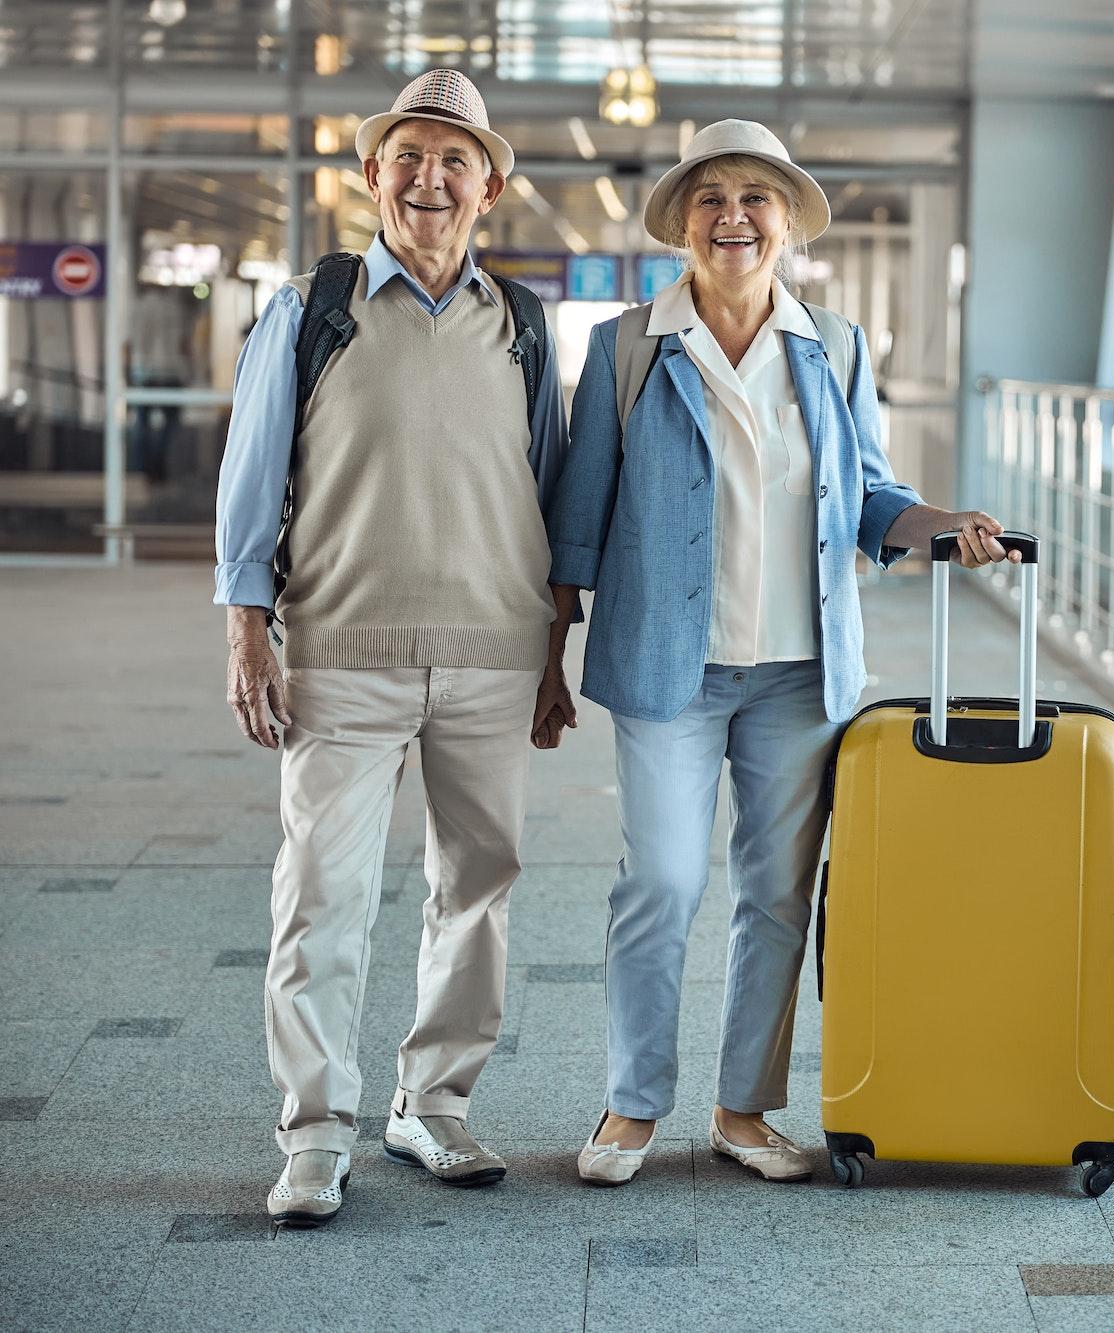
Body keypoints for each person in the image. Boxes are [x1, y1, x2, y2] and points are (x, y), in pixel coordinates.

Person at [540, 119, 1018, 1186]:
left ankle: (742, 1107)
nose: (733, 215)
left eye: (756, 196)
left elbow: (872, 498)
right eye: (711, 197)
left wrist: (943, 528)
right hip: (671, 667)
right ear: (682, 225)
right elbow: (578, 518)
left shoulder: (834, 347)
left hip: (800, 674)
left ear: (789, 222)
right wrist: (547, 654)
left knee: (776, 892)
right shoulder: (626, 346)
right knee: (660, 881)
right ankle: (631, 1104)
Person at [212, 69, 571, 1226]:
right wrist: (247, 629)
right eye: (408, 157)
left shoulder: (520, 324)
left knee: (477, 889)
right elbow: (251, 478)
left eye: (454, 160)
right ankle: (314, 1131)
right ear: (371, 177)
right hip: (340, 651)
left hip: (492, 653)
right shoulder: (309, 308)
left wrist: (555, 649)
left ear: (490, 188)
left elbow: (549, 495)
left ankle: (433, 1102)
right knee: (321, 895)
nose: (430, 178)